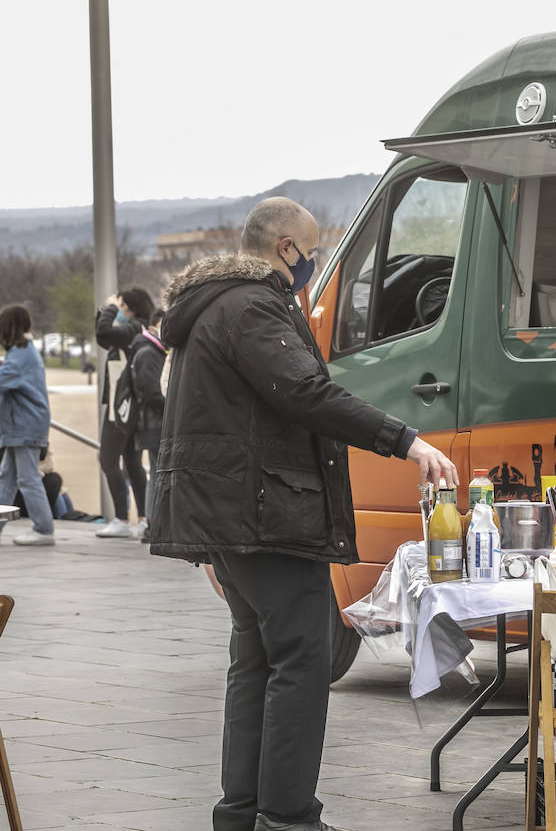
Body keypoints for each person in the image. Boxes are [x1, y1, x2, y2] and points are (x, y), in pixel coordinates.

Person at [147, 196, 458, 831]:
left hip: (234, 516)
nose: (313, 264)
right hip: (264, 516)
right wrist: (406, 439)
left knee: (258, 660)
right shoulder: (252, 307)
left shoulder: (215, 308)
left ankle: (243, 814)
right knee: (300, 658)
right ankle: (287, 817)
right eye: (311, 252)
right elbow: (306, 392)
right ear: (287, 248)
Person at [94, 286, 155, 538]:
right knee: (131, 462)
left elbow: (105, 332)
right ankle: (141, 518)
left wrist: (110, 309)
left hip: (122, 407)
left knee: (108, 459)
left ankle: (122, 518)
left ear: (130, 307)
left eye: (121, 305)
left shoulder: (133, 328)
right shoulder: (135, 328)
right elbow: (103, 337)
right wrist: (104, 312)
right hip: (128, 404)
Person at [0, 304, 56, 546]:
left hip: (24, 426)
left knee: (27, 478)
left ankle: (43, 529)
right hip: (21, 425)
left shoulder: (20, 356)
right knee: (7, 477)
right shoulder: (23, 351)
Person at [130, 309, 168, 544]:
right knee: (156, 474)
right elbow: (152, 392)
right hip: (154, 424)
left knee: (157, 473)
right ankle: (153, 526)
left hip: (153, 424)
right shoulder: (148, 353)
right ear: (154, 325)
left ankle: (155, 525)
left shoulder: (152, 350)